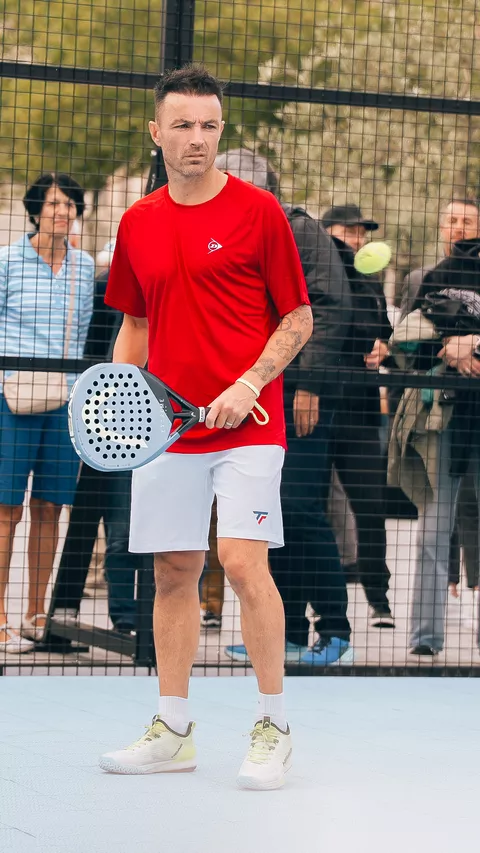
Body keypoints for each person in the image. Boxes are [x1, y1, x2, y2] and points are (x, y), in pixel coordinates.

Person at [99, 65, 312, 790]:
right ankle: (174, 728)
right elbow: (135, 323)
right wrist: (127, 408)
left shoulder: (260, 212)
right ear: (156, 132)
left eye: (209, 126)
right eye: (183, 125)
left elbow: (297, 316)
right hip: (169, 428)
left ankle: (274, 726)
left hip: (251, 421)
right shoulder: (137, 222)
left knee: (244, 560)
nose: (197, 139)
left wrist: (250, 381)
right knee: (173, 570)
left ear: (222, 131)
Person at [212, 148, 355, 667]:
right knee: (271, 518)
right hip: (251, 395)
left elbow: (328, 304)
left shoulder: (297, 227)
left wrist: (309, 384)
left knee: (299, 508)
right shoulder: (225, 229)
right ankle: (290, 630)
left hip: (297, 393)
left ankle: (334, 629)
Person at [0, 173, 94, 653]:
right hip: (11, 396)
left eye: (70, 204)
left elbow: (83, 334)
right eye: (53, 204)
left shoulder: (84, 267)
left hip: (63, 399)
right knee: (5, 511)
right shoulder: (8, 262)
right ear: (35, 210)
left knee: (50, 508)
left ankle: (37, 614)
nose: (62, 212)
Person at [391, 233, 480, 655]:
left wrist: (474, 343)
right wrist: (447, 346)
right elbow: (407, 347)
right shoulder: (436, 276)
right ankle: (425, 638)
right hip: (442, 419)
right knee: (433, 528)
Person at [51, 263, 141, 634]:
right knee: (117, 525)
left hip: (174, 418)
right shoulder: (108, 286)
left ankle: (150, 616)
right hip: (114, 418)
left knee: (166, 530)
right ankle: (122, 617)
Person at [320, 204, 395, 627]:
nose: (357, 238)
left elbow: (382, 332)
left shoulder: (370, 279)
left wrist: (383, 347)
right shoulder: (316, 273)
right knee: (310, 507)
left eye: (360, 232)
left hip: (362, 410)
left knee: (370, 507)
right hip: (317, 404)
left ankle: (378, 599)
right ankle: (316, 600)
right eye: (348, 230)